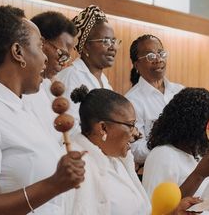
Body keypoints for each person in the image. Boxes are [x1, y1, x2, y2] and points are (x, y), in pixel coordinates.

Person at [0, 5, 85, 215]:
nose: (45, 58)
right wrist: (54, 184)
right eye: (39, 47)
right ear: (18, 52)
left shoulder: (24, 107)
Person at [62, 85, 151, 215]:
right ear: (103, 128)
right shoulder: (77, 168)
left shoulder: (117, 158)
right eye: (130, 125)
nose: (136, 134)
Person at [142, 88, 209, 215]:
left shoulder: (198, 155)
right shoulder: (162, 155)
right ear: (193, 124)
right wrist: (199, 174)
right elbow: (156, 210)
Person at [125, 34, 184, 164]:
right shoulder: (131, 101)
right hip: (159, 169)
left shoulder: (180, 91)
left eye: (161, 53)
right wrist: (168, 140)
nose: (158, 59)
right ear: (136, 65)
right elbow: (136, 151)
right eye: (150, 56)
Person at [55, 5, 118, 127]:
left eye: (113, 41)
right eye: (105, 41)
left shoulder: (104, 81)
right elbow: (69, 125)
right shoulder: (71, 76)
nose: (112, 47)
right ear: (85, 47)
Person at [24, 11, 77, 141]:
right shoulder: (23, 88)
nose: (63, 63)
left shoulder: (49, 84)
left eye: (67, 58)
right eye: (61, 54)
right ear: (40, 44)